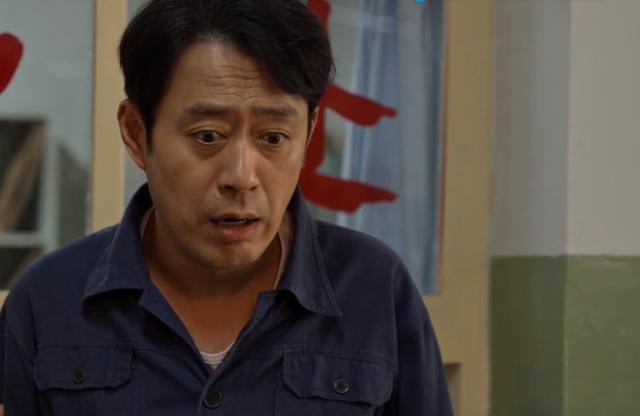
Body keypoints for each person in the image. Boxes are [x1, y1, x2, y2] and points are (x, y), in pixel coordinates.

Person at [0, 0, 452, 414]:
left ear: (308, 135)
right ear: (136, 133)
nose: (241, 176)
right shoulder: (49, 301)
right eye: (208, 136)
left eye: (273, 137)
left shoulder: (374, 289)